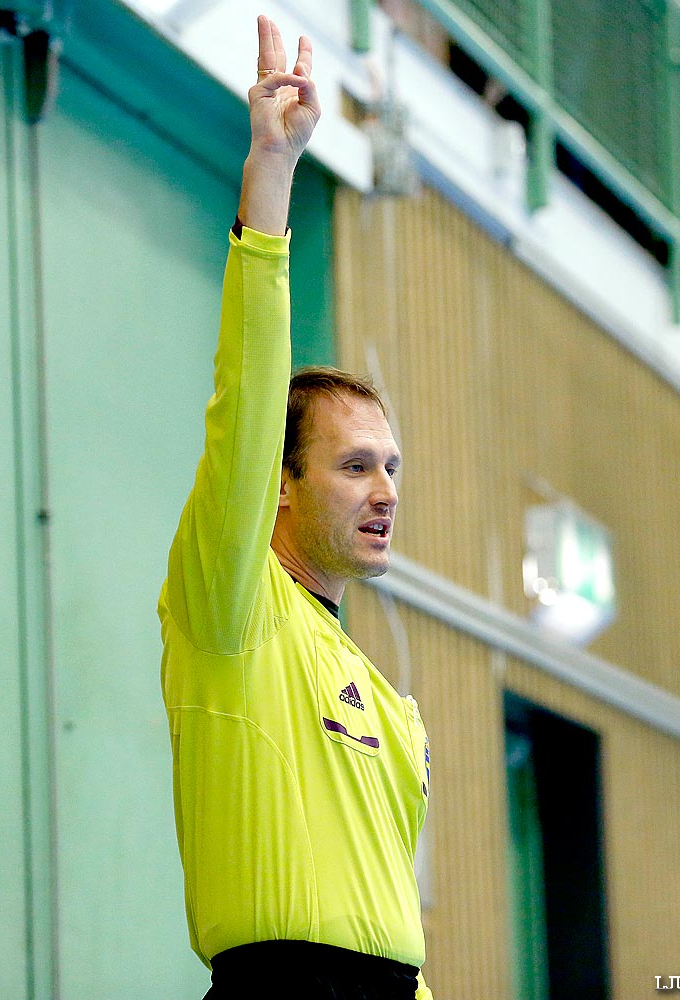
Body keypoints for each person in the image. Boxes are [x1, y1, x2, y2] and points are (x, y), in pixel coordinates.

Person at [158, 16, 433, 999]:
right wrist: (270, 174)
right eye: (356, 465)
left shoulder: (389, 705)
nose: (385, 491)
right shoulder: (230, 610)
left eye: (392, 468)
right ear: (280, 481)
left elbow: (395, 923)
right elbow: (244, 402)